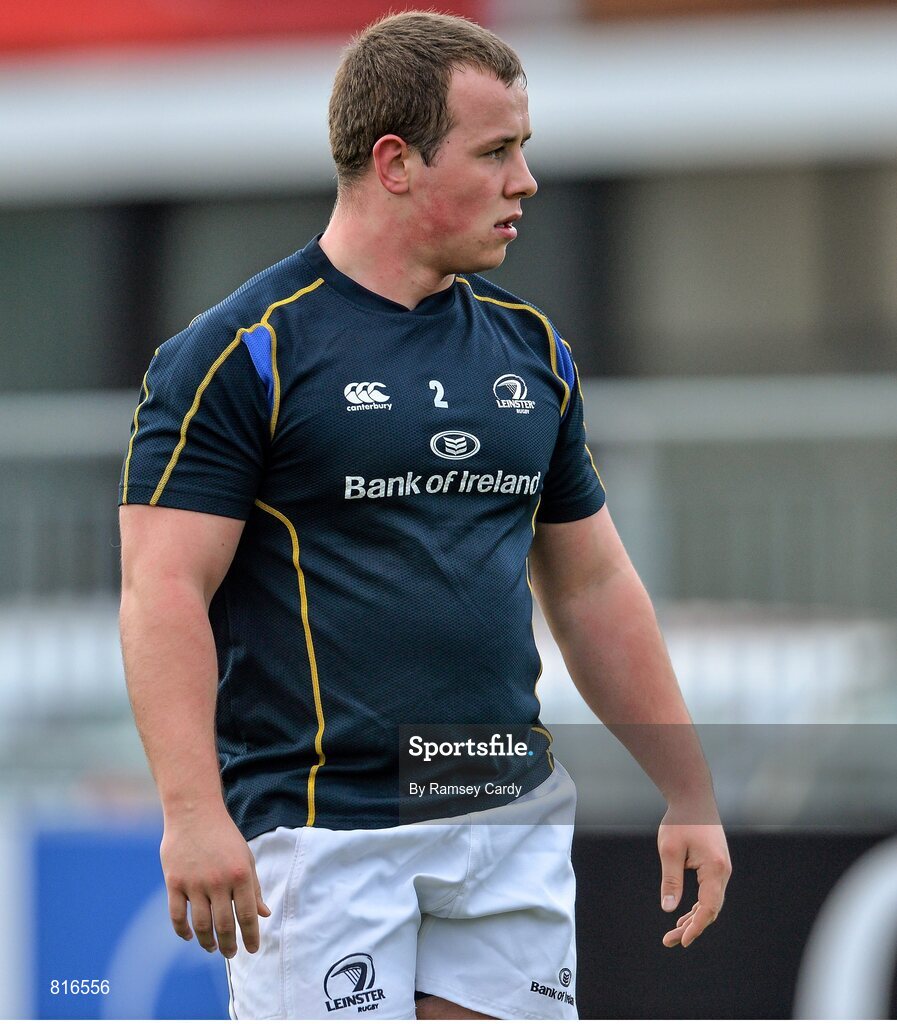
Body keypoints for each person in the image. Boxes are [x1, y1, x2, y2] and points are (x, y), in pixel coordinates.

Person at [119, 10, 731, 1021]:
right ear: (395, 162)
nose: (524, 182)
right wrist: (191, 812)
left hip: (505, 811)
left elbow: (593, 587)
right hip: (327, 829)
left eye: (522, 150)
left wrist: (690, 789)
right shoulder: (243, 354)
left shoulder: (532, 357)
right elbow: (162, 589)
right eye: (496, 152)